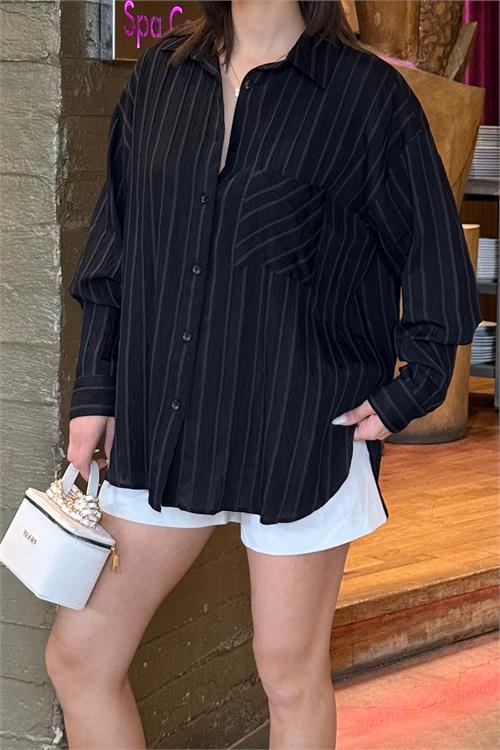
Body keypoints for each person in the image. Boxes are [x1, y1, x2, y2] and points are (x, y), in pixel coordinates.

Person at [44, 1, 482, 748]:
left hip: (302, 428)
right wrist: (96, 391)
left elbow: (435, 258)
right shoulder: (160, 77)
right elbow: (116, 246)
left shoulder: (366, 97)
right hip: (163, 418)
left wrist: (411, 388)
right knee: (80, 657)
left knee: (288, 673)